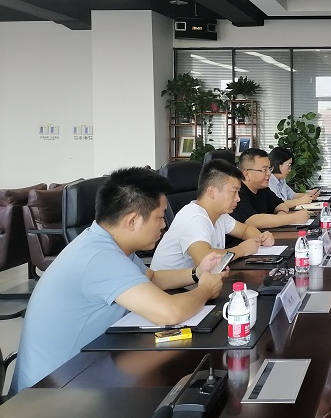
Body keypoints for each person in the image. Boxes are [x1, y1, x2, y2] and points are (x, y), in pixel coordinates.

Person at [10, 167, 226, 395]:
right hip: (51, 392)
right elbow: (169, 313)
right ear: (132, 221)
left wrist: (197, 273)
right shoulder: (99, 257)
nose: (164, 224)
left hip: (84, 368)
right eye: (160, 217)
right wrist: (205, 289)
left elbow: (151, 278)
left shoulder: (106, 242)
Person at [150, 159, 274, 270]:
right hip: (171, 287)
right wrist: (241, 250)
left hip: (197, 282)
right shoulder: (195, 217)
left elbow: (244, 230)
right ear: (212, 192)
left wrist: (261, 238)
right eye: (233, 192)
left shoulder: (220, 215)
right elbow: (204, 259)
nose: (238, 198)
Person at [232, 148, 311, 228]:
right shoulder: (236, 192)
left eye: (269, 169)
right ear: (246, 174)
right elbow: (253, 221)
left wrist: (281, 215)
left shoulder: (262, 188)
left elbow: (281, 205)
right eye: (264, 170)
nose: (269, 173)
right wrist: (293, 218)